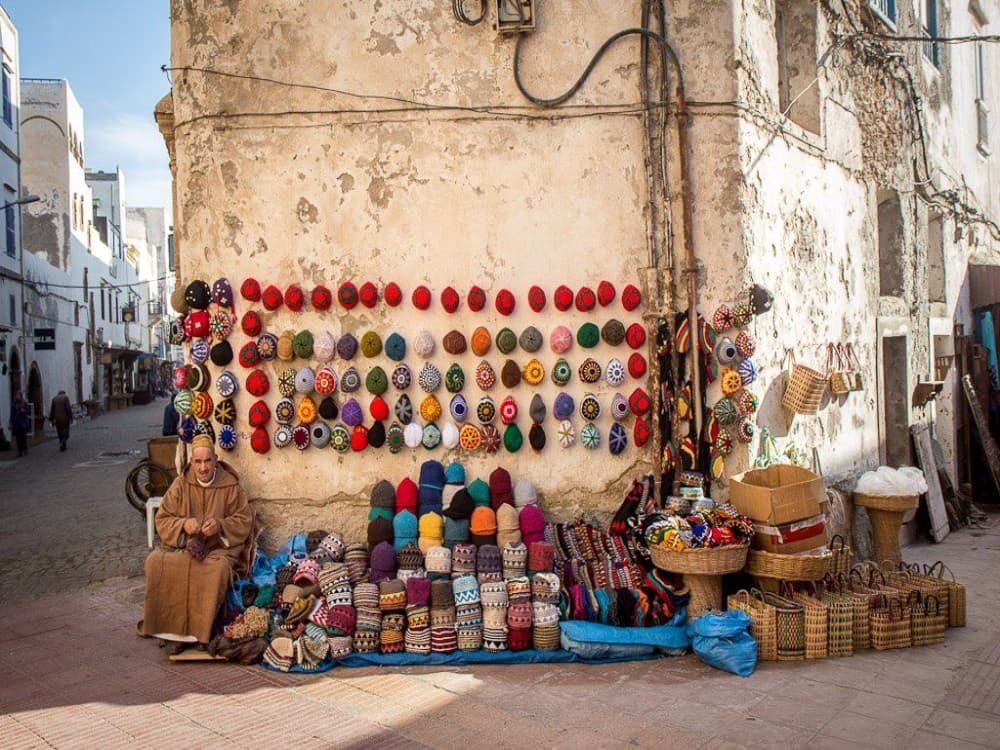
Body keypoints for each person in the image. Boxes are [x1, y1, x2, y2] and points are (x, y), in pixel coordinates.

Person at [139, 434, 255, 651]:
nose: (202, 468)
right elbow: (162, 519)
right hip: (185, 547)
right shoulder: (181, 484)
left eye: (207, 461)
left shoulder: (229, 486)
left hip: (218, 549)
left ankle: (202, 633)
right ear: (191, 462)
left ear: (215, 460)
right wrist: (183, 525)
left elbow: (244, 520)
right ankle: (171, 632)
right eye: (197, 462)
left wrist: (220, 525)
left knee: (215, 569)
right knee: (156, 562)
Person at [9, 390, 30, 457]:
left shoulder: (24, 403)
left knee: (23, 437)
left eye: (18, 395)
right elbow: (12, 414)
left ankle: (25, 448)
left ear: (20, 396)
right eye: (16, 395)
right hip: (16, 423)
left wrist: (24, 411)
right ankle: (20, 451)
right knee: (18, 438)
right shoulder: (13, 404)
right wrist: (10, 423)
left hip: (23, 422)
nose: (17, 397)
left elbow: (28, 411)